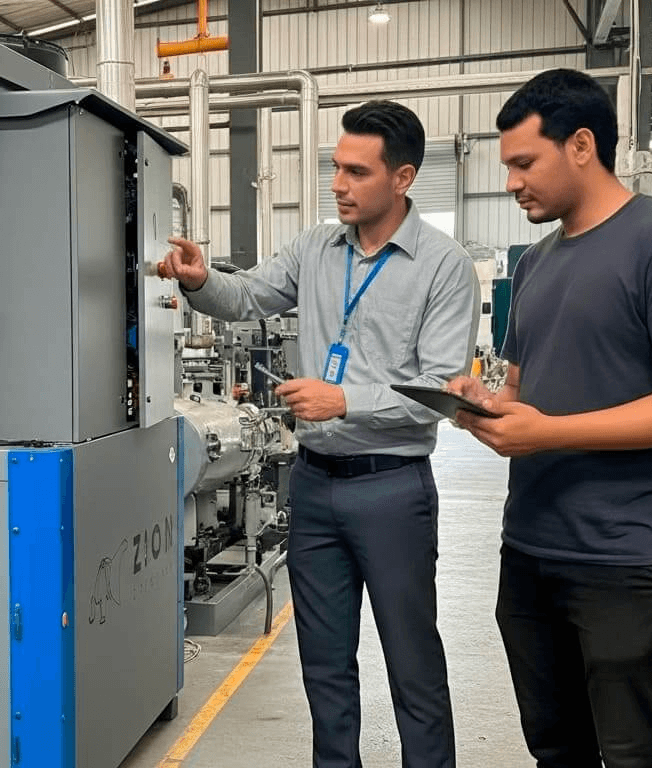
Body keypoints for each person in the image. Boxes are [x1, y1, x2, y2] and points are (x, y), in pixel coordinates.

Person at [160, 100, 480, 768]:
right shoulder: (315, 247)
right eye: (336, 167)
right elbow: (248, 295)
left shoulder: (442, 266)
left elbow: (440, 393)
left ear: (403, 178)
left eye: (356, 172)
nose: (338, 183)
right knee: (325, 670)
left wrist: (345, 399)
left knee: (412, 667)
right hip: (314, 489)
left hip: (391, 489)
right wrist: (200, 280)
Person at [448, 69, 652, 768]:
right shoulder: (535, 264)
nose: (511, 182)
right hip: (533, 550)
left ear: (581, 145)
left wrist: (546, 433)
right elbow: (523, 390)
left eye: (523, 163)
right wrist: (482, 405)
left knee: (637, 754)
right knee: (556, 748)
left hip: (628, 558)